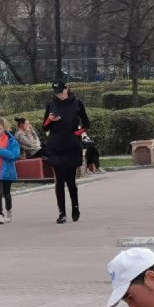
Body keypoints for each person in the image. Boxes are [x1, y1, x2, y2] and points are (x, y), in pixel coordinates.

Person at [42, 78, 89, 224]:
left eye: (61, 92)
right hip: (56, 146)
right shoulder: (51, 104)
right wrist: (50, 120)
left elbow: (86, 124)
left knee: (70, 180)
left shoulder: (77, 103)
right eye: (56, 93)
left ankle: (75, 207)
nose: (59, 95)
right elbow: (44, 127)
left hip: (72, 145)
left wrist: (76, 133)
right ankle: (62, 212)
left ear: (67, 88)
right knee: (59, 180)